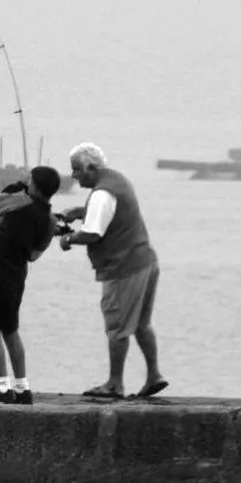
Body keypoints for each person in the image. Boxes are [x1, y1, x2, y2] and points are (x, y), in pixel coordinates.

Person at [57, 142, 167, 399]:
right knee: (141, 323)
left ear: (91, 168)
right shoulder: (117, 181)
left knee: (117, 325)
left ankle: (114, 383)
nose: (74, 175)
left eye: (77, 170)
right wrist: (82, 212)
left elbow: (93, 233)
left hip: (124, 267)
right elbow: (109, 213)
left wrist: (68, 239)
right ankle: (154, 375)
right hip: (146, 260)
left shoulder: (102, 193)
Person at [0, 165, 62, 404]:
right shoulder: (50, 222)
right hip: (16, 275)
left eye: (29, 179)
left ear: (35, 186)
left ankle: (2, 387)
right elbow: (33, 255)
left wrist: (18, 187)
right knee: (10, 329)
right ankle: (22, 387)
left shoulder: (18, 200)